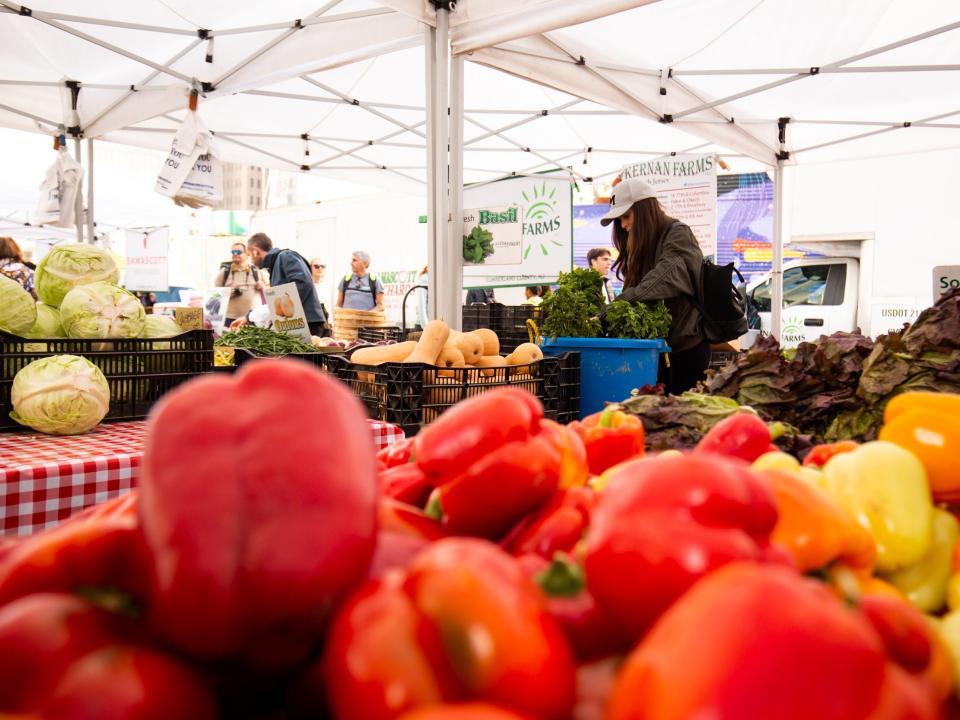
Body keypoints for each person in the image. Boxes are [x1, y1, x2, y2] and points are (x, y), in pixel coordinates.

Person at [599, 177, 707, 394]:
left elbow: (661, 279)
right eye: (620, 220)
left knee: (680, 418)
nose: (624, 225)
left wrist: (618, 304)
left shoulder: (678, 233)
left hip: (685, 350)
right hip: (654, 351)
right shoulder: (640, 243)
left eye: (627, 216)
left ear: (645, 209)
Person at [233, 233, 328, 337]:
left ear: (255, 251)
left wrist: (282, 310)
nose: (250, 259)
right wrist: (249, 317)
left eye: (250, 255)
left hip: (309, 325)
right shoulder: (275, 264)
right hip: (296, 325)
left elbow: (303, 283)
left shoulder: (286, 256)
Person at [215, 242, 264, 326]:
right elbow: (214, 295)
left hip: (251, 318)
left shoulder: (256, 270)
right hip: (229, 319)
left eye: (238, 252)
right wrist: (226, 294)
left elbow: (270, 291)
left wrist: (263, 287)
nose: (235, 254)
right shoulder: (224, 272)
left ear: (247, 254)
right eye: (233, 252)